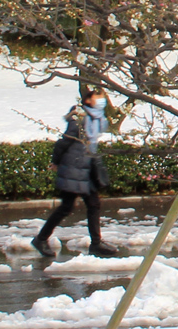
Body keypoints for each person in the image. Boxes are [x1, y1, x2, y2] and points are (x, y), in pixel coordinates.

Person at [34, 86, 120, 257]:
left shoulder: (89, 120)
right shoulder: (80, 121)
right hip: (74, 172)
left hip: (84, 173)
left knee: (93, 205)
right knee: (67, 207)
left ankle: (96, 243)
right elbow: (62, 144)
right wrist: (55, 162)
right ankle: (41, 239)